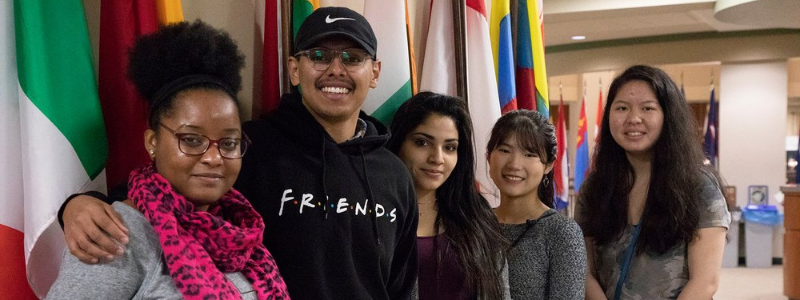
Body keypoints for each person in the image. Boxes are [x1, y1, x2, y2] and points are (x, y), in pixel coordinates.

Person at [58, 7, 418, 300]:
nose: (336, 69)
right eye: (319, 56)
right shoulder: (251, 146)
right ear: (294, 69)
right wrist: (78, 204)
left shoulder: (394, 173)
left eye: (352, 57)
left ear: (375, 73)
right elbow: (157, 193)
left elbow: (402, 284)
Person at [47, 21, 289, 299]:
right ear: (153, 143)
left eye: (229, 143)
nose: (213, 157)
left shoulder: (242, 237)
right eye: (192, 139)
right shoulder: (115, 235)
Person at [577, 65, 730, 300]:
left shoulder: (698, 186)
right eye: (622, 108)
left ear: (668, 116)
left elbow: (705, 283)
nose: (633, 119)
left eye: (647, 108)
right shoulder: (595, 188)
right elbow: (585, 273)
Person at [386, 92, 509, 300]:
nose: (437, 158)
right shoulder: (374, 213)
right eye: (422, 143)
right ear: (399, 143)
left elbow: (500, 292)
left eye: (450, 147)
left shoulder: (475, 214)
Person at [486, 110, 586, 299]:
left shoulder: (562, 233)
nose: (515, 164)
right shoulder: (475, 224)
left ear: (548, 165)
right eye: (505, 150)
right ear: (488, 157)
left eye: (529, 154)